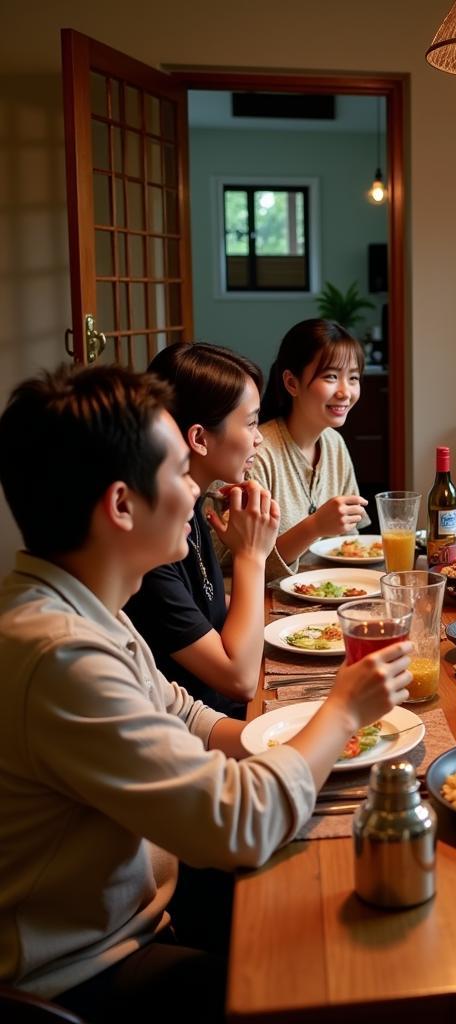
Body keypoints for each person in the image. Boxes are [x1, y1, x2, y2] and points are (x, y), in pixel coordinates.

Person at [0, 365, 411, 1023]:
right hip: (76, 977)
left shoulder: (84, 607)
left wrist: (302, 728)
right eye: (177, 474)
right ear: (122, 505)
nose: (195, 492)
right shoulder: (60, 653)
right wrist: (341, 711)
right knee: (349, 973)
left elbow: (185, 713)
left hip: (140, 912)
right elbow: (238, 826)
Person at [124, 342, 276, 719]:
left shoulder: (194, 502)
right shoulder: (152, 543)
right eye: (252, 422)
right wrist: (250, 556)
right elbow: (238, 679)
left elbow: (209, 609)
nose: (259, 438)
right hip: (206, 730)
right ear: (199, 438)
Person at [251, 319, 370, 580]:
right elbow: (241, 565)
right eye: (330, 376)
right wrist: (315, 526)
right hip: (269, 601)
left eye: (353, 378)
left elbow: (350, 545)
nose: (345, 392)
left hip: (332, 591)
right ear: (292, 383)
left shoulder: (334, 444)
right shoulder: (256, 454)